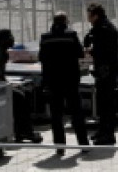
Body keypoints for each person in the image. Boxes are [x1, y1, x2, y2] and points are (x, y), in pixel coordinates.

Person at [0, 29, 42, 143]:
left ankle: (21, 130)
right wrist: (8, 87)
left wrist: (10, 85)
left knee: (25, 92)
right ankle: (25, 132)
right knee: (20, 97)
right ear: (2, 40)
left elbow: (0, 76)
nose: (13, 39)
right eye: (10, 37)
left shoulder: (3, 53)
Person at [39, 13, 89, 155]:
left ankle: (60, 147)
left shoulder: (45, 37)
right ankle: (84, 144)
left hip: (53, 81)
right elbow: (81, 54)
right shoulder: (71, 35)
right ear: (66, 22)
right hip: (70, 79)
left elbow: (41, 58)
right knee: (76, 112)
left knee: (56, 114)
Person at [83, 3, 118, 146]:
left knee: (107, 105)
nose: (88, 18)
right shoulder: (100, 28)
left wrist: (91, 51)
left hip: (107, 72)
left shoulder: (104, 29)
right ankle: (102, 130)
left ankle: (108, 134)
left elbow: (103, 51)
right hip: (103, 71)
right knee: (102, 103)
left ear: (95, 15)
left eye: (89, 15)